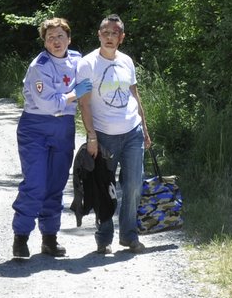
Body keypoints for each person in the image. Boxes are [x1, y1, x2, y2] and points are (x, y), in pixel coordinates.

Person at [75, 14, 151, 254]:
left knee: (133, 184)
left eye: (114, 33)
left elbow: (135, 96)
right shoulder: (87, 64)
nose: (109, 37)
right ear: (99, 35)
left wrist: (145, 130)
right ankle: (104, 237)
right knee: (104, 187)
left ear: (122, 37)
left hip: (132, 133)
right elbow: (84, 104)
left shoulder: (127, 61)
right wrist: (92, 137)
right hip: (104, 136)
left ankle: (129, 235)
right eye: (105, 32)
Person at [10, 17, 81, 259]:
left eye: (60, 36)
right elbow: (50, 104)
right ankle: (21, 237)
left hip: (64, 128)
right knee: (36, 184)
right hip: (36, 127)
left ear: (69, 39)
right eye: (50, 38)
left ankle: (49, 238)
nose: (56, 41)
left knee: (56, 184)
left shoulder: (77, 60)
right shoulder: (39, 66)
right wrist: (75, 94)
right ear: (44, 42)